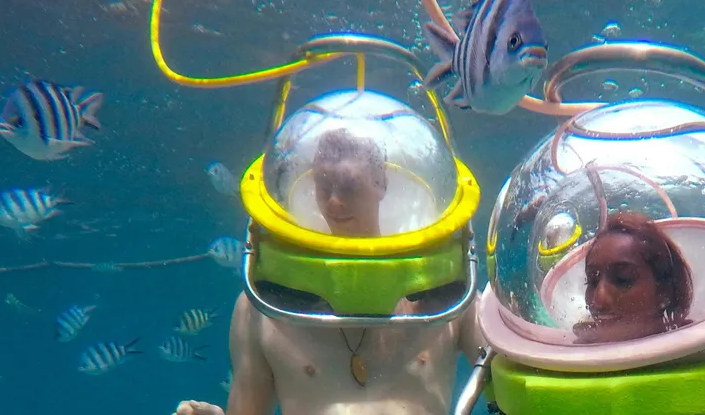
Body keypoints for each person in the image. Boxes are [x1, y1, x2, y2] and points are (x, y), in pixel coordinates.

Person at [175, 130, 485, 415]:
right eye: (323, 186)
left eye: (349, 185)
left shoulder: (448, 294)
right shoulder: (262, 306)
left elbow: (506, 385)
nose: (334, 201)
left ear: (381, 183)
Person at [572, 211, 694, 344]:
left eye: (623, 279)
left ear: (664, 290)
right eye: (592, 281)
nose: (598, 301)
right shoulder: (577, 350)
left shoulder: (694, 345)